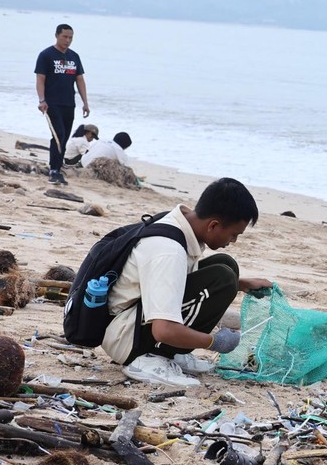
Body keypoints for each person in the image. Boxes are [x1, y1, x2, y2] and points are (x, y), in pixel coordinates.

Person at [101, 177, 273, 387]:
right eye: (233, 234)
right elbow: (163, 330)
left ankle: (174, 352)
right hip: (126, 339)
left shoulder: (179, 224)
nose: (233, 241)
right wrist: (214, 342)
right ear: (213, 225)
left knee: (226, 267)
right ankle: (152, 357)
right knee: (223, 279)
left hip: (131, 317)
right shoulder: (169, 251)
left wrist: (242, 284)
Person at [35, 24, 90, 185]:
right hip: (52, 103)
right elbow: (40, 79)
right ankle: (54, 170)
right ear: (57, 35)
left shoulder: (74, 56)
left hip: (69, 103)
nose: (68, 40)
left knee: (65, 137)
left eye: (70, 37)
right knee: (58, 135)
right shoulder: (46, 55)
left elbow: (80, 80)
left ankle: (58, 168)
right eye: (65, 37)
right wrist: (41, 100)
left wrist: (85, 102)